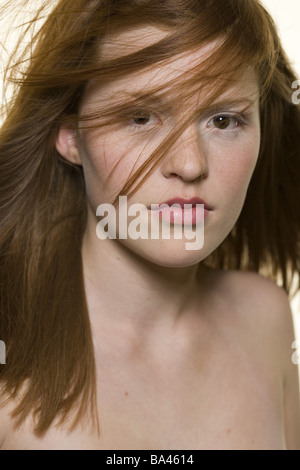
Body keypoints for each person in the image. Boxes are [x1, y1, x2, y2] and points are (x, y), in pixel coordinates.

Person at [0, 0, 300, 450]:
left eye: (223, 120)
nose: (189, 164)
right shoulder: (9, 372)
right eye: (141, 117)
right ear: (68, 137)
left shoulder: (267, 319)